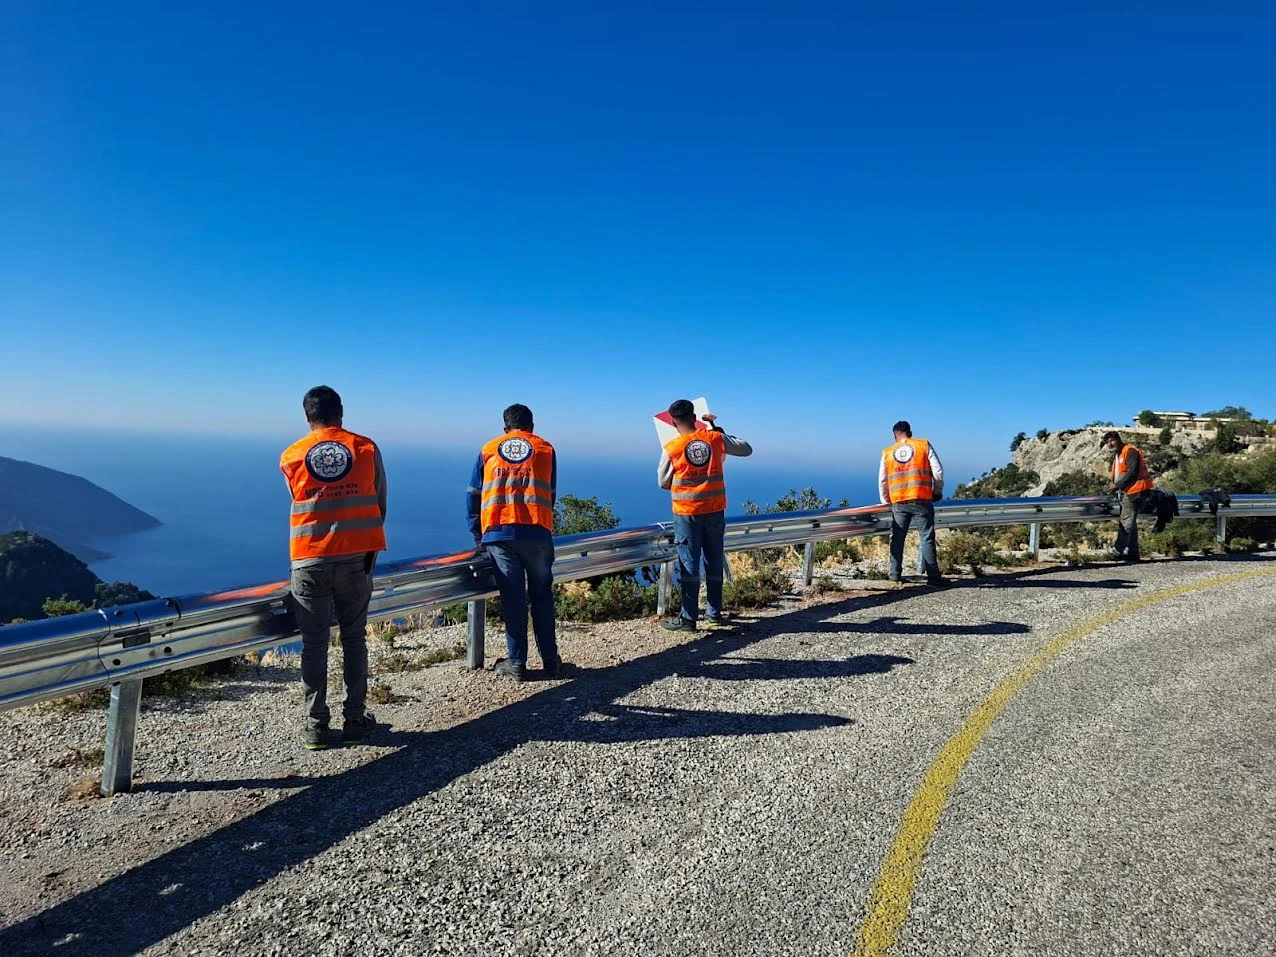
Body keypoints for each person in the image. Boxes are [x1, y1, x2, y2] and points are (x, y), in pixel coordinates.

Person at [280, 386, 387, 750]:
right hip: (356, 558)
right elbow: (379, 502)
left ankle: (316, 726)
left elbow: (301, 500)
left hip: (309, 559)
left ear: (306, 416)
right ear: (341, 412)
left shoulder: (292, 455)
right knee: (354, 638)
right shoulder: (366, 448)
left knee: (314, 644)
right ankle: (355, 719)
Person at [467, 404, 559, 681]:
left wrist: (478, 535)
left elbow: (473, 495)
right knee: (542, 596)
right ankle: (551, 660)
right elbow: (551, 493)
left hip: (499, 532)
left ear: (505, 428)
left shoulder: (489, 449)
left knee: (513, 599)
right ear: (532, 426)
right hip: (537, 530)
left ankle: (517, 662)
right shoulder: (545, 449)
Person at [658, 400, 753, 631]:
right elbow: (746, 449)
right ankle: (714, 615)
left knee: (689, 564)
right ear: (694, 418)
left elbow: (663, 482)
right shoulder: (715, 438)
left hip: (687, 513)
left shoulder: (672, 447)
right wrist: (716, 429)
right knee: (714, 561)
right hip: (715, 510)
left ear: (673, 422)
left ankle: (688, 620)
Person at [879, 420, 946, 586]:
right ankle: (933, 578)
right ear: (910, 432)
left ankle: (894, 576)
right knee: (926, 537)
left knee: (897, 538)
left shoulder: (888, 452)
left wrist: (886, 501)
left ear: (895, 435)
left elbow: (882, 480)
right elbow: (938, 471)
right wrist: (937, 491)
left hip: (898, 501)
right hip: (921, 499)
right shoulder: (923, 445)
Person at [1102, 430, 1154, 562]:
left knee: (1126, 522)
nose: (1110, 444)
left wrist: (1117, 485)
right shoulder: (1118, 455)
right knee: (1131, 523)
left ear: (1118, 439)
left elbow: (1133, 472)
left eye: (1112, 440)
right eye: (1107, 442)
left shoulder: (1129, 451)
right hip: (1126, 492)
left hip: (1134, 492)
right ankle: (1132, 553)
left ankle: (1117, 551)